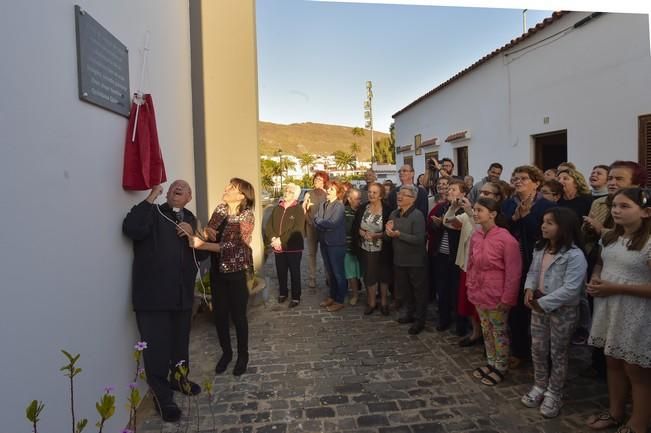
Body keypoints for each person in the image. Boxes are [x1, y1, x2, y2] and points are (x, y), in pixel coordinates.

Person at [123, 180, 208, 422]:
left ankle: (179, 379)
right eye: (173, 187)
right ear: (168, 194)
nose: (177, 188)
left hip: (181, 295)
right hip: (153, 296)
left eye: (183, 188)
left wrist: (193, 237)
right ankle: (162, 397)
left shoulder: (191, 219)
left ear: (189, 197)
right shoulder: (153, 212)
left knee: (180, 343)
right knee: (157, 349)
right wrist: (151, 197)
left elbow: (200, 254)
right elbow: (132, 229)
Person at [585, 187, 651, 433]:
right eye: (614, 206)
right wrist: (595, 277)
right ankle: (615, 411)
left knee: (636, 369)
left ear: (645, 212)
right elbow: (602, 262)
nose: (616, 210)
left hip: (638, 312)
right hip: (611, 307)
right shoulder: (610, 236)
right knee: (613, 360)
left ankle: (639, 422)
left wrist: (615, 287)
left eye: (625, 206)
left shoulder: (648, 243)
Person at [581, 161, 647, 379]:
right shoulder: (600, 204)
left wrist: (602, 230)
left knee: (634, 365)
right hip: (604, 275)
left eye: (619, 179)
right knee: (609, 352)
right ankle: (600, 370)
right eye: (610, 178)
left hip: (634, 300)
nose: (612, 182)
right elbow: (599, 250)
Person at [520, 207, 588, 418]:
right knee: (538, 348)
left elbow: (571, 289)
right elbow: (533, 271)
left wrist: (544, 302)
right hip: (538, 306)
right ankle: (540, 385)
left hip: (562, 311)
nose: (543, 226)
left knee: (558, 352)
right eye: (543, 221)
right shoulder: (541, 248)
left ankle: (554, 392)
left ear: (564, 227)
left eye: (550, 222)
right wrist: (529, 289)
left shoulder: (574, 255)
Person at [189, 178, 255, 377]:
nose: (225, 189)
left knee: (239, 317)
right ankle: (226, 354)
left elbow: (235, 246)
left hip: (237, 273)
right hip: (217, 271)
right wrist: (207, 234)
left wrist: (202, 245)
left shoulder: (247, 216)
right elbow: (211, 232)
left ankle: (243, 356)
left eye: (231, 188)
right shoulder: (220, 209)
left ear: (242, 195)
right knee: (220, 316)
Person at [502, 165, 556, 368]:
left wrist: (526, 217)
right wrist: (514, 218)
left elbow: (544, 236)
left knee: (537, 310)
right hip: (513, 262)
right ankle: (520, 351)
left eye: (523, 178)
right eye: (515, 178)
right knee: (516, 310)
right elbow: (502, 229)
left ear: (537, 182)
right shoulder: (508, 204)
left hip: (537, 263)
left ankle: (543, 357)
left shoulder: (546, 206)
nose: (518, 181)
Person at [467, 198, 522, 386]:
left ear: (492, 214)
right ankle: (491, 362)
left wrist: (508, 297)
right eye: (474, 209)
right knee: (486, 329)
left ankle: (501, 365)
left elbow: (514, 272)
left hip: (497, 293)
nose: (474, 213)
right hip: (479, 291)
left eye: (479, 210)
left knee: (499, 331)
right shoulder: (476, 235)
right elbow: (471, 263)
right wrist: (470, 285)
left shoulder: (506, 239)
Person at [386, 184, 428, 334]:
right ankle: (409, 314)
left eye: (404, 194)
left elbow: (419, 239)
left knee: (419, 291)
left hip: (415, 260)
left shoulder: (417, 215)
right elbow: (389, 235)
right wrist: (388, 232)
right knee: (406, 291)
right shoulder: (393, 214)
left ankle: (420, 320)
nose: (399, 196)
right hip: (399, 259)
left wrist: (399, 235)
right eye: (399, 193)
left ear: (413, 199)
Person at [431, 179, 469, 333]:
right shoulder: (442, 207)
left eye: (453, 189)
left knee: (457, 290)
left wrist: (445, 223)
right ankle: (444, 319)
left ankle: (461, 324)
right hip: (442, 253)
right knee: (442, 288)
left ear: (463, 193)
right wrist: (437, 224)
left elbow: (457, 226)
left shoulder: (466, 210)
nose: (449, 192)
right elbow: (433, 226)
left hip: (457, 256)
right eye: (449, 189)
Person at [354, 182, 393, 316]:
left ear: (381, 195)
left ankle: (383, 302)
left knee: (384, 276)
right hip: (366, 249)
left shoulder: (388, 210)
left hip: (383, 249)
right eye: (370, 192)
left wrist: (377, 235)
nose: (371, 194)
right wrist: (362, 233)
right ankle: (371, 303)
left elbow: (390, 231)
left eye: (375, 192)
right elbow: (356, 227)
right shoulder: (363, 208)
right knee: (369, 276)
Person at [264, 183, 305, 308]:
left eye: (290, 191)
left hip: (293, 247)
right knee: (281, 271)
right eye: (286, 190)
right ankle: (283, 292)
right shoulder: (277, 208)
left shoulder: (298, 209)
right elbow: (268, 225)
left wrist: (280, 240)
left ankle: (296, 296)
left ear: (295, 195)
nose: (286, 192)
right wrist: (273, 238)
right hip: (278, 246)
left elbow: (296, 228)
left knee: (294, 272)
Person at [315, 181, 348, 312]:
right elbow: (315, 219)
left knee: (338, 273)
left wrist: (320, 222)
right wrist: (322, 223)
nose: (328, 191)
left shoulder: (339, 206)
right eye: (328, 189)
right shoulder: (323, 204)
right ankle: (332, 296)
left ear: (338, 193)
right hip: (324, 242)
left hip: (336, 244)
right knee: (330, 272)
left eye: (332, 190)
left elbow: (333, 223)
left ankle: (340, 300)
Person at [302, 171, 329, 288]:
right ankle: (312, 277)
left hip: (323, 228)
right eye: (316, 179)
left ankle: (328, 276)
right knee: (312, 254)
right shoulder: (308, 194)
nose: (317, 181)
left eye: (320, 179)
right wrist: (308, 220)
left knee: (326, 253)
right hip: (311, 227)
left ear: (324, 182)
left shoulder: (327, 194)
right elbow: (304, 209)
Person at [344, 188, 363, 305]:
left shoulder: (364, 211)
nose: (359, 201)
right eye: (356, 199)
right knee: (351, 274)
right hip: (348, 247)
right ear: (349, 200)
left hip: (363, 247)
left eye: (360, 198)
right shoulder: (343, 211)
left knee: (365, 272)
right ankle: (355, 295)